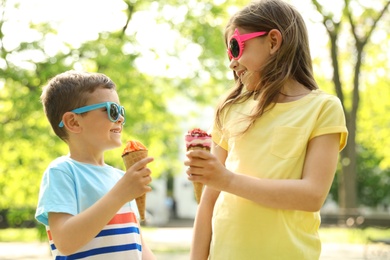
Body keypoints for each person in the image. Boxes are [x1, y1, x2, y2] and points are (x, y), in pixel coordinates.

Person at [184, 0, 348, 259]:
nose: (232, 63)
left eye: (236, 48)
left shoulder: (323, 108)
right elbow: (208, 202)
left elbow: (312, 195)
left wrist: (227, 179)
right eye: (229, 54)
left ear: (273, 41)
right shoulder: (230, 110)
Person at [35, 70, 156, 259]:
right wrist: (121, 193)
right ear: (73, 122)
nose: (121, 118)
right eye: (111, 110)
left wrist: (124, 190)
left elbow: (139, 245)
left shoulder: (120, 178)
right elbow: (65, 242)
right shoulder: (62, 172)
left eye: (121, 111)